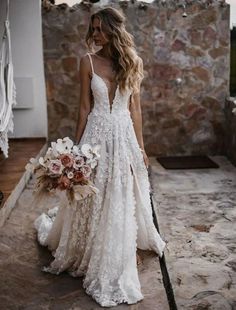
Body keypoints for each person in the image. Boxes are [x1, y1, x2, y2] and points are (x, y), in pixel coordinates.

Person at [34, 6, 166, 308]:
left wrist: (142, 148)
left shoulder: (133, 62)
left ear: (112, 29)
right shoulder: (87, 62)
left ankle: (118, 247)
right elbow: (83, 107)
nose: (94, 34)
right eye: (92, 29)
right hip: (95, 135)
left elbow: (135, 110)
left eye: (99, 28)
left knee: (118, 191)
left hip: (123, 136)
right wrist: (76, 148)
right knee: (91, 192)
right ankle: (88, 246)